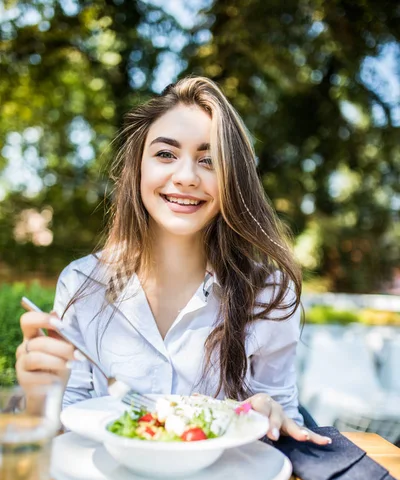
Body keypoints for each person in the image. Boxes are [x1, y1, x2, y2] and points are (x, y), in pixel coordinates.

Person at [15, 76, 331, 445]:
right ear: (138, 168)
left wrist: (265, 419)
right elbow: (66, 428)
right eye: (165, 154)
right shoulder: (83, 283)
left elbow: (284, 426)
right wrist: (40, 396)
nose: (185, 177)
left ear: (233, 179)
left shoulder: (268, 294)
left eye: (209, 160)